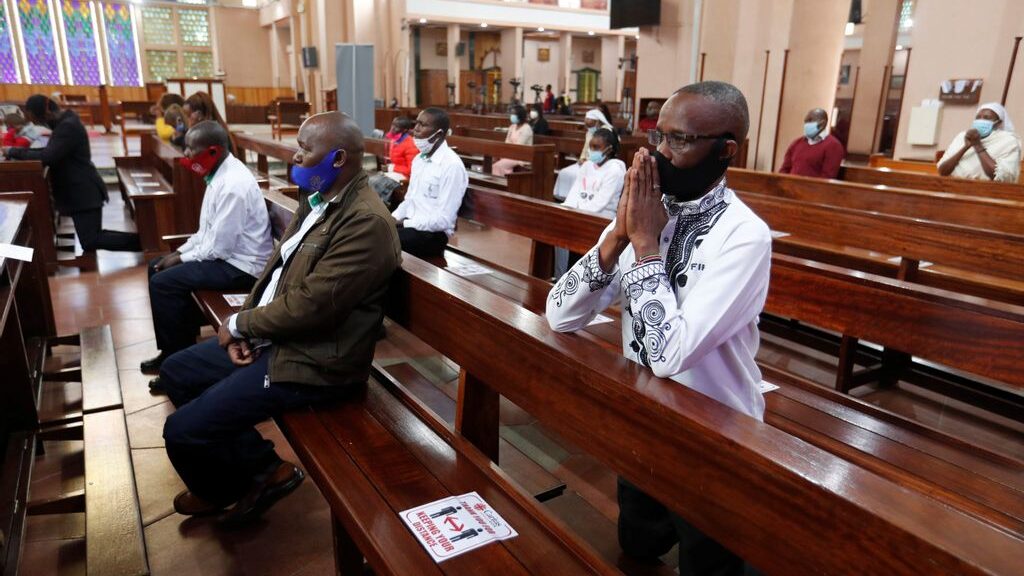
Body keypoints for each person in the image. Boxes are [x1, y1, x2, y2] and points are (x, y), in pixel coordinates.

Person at [546, 81, 770, 576]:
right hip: (643, 412)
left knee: (709, 563)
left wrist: (645, 244)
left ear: (726, 150)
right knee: (639, 545)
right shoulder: (650, 210)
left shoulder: (745, 236)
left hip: (715, 435)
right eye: (658, 137)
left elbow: (670, 353)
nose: (661, 154)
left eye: (681, 141)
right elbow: (560, 314)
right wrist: (615, 238)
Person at [158, 111, 401, 526]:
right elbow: (276, 270)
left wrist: (241, 326)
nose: (296, 156)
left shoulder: (365, 222)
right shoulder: (318, 199)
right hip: (281, 338)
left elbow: (313, 305)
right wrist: (245, 322)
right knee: (177, 371)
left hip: (317, 361)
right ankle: (263, 469)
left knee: (182, 431)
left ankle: (223, 490)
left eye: (305, 149)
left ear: (338, 158)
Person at [142, 121, 273, 385]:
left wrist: (179, 259)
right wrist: (178, 252)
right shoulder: (218, 175)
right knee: (156, 267)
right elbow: (205, 233)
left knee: (163, 283)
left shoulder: (232, 184)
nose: (187, 155)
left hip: (242, 268)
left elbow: (219, 248)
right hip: (227, 258)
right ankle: (173, 354)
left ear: (212, 151)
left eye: (191, 149)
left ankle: (177, 367)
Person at [3, 95, 140, 252]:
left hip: (82, 191)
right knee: (91, 238)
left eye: (36, 119)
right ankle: (145, 242)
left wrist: (14, 151)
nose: (37, 124)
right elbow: (50, 151)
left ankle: (146, 243)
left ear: (45, 113)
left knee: (91, 239)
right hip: (80, 190)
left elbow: (48, 156)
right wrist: (18, 151)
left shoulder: (67, 127)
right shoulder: (64, 123)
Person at [392, 107, 468, 259]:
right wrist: (392, 218)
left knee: (382, 242)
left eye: (422, 125)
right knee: (375, 233)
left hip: (433, 235)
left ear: (438, 134)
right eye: (416, 124)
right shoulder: (419, 159)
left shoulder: (451, 166)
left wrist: (403, 224)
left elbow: (444, 220)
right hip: (413, 226)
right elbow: (410, 200)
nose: (416, 130)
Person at [937, 102, 1021, 182]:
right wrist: (965, 147)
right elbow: (942, 171)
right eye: (978, 117)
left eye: (986, 118)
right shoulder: (962, 137)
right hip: (953, 186)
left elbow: (1001, 177)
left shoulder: (1008, 141)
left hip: (987, 191)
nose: (981, 120)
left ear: (998, 123)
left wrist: (978, 145)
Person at [553, 107, 615, 200]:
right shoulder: (590, 132)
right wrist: (582, 158)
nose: (589, 128)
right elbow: (586, 148)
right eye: (587, 126)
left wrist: (589, 161)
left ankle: (579, 199)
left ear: (597, 122)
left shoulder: (606, 132)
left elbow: (606, 152)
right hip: (586, 162)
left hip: (599, 163)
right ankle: (565, 199)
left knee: (578, 176)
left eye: (590, 125)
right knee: (564, 173)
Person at [778, 107, 844, 179]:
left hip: (812, 189)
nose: (806, 125)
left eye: (810, 121)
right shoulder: (796, 143)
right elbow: (784, 170)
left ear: (823, 124)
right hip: (789, 187)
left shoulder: (834, 146)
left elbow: (827, 178)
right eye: (805, 121)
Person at [492, 104, 534, 177]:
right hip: (510, 154)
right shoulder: (512, 127)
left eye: (514, 114)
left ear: (520, 115)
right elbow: (507, 141)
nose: (512, 116)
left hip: (521, 156)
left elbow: (519, 145)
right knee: (494, 161)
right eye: (511, 114)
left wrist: (508, 151)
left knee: (497, 166)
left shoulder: (526, 129)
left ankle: (503, 185)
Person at [383, 115, 418, 181]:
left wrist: (393, 168)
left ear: (405, 130)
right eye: (392, 125)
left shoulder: (410, 144)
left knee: (376, 182)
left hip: (405, 177)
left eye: (396, 127)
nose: (392, 128)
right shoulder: (394, 140)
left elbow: (411, 170)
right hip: (395, 172)